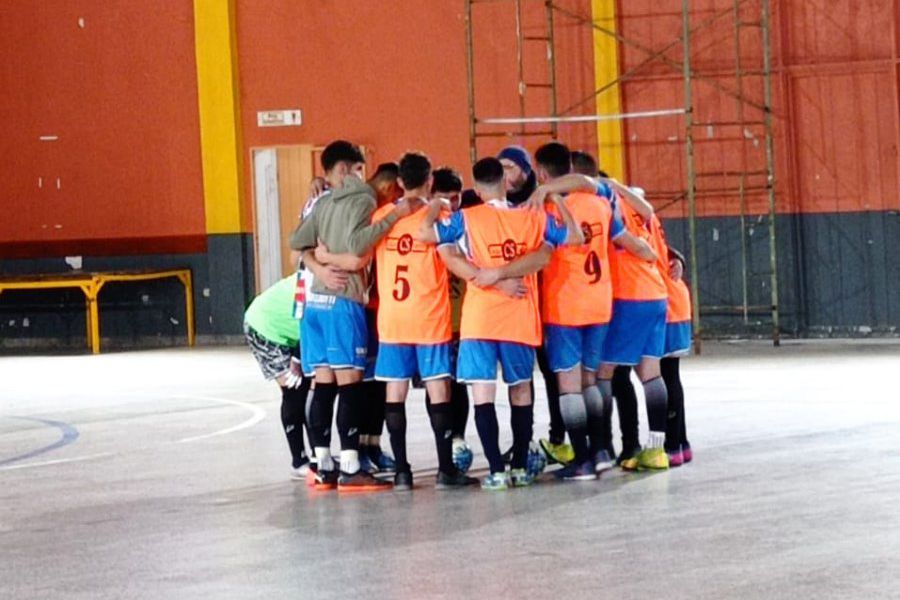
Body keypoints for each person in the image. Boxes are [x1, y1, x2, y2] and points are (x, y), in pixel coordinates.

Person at [419, 157, 583, 490]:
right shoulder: (533, 217)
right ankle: (520, 467)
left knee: (483, 395)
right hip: (519, 318)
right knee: (521, 390)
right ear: (505, 183)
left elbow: (426, 234)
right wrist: (558, 202)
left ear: (477, 189)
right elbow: (575, 237)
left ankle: (495, 470)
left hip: (480, 321)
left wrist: (434, 205)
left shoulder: (466, 218)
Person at [289, 140, 412, 492]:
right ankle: (351, 466)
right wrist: (393, 217)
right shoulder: (364, 201)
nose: (363, 176)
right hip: (342, 300)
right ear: (345, 169)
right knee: (352, 386)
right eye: (359, 168)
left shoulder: (321, 199)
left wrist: (320, 264)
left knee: (323, 384)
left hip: (313, 302)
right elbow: (359, 253)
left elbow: (297, 241)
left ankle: (322, 465)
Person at [529, 143, 656, 480]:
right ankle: (601, 450)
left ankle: (583, 458)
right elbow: (624, 237)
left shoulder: (548, 209)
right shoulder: (602, 203)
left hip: (565, 305)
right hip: (600, 304)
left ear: (541, 172)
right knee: (593, 379)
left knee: (569, 385)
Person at [356, 152, 479, 490]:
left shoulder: (382, 216)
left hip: (393, 319)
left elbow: (362, 255)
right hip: (429, 318)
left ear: (399, 183)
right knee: (439, 388)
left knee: (394, 392)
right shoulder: (440, 217)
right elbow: (454, 258)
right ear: (429, 181)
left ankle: (402, 474)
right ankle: (445, 471)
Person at [424, 167, 475, 472]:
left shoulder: (465, 222)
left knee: (459, 385)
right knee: (437, 387)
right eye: (445, 199)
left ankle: (458, 439)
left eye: (456, 199)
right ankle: (444, 445)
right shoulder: (423, 226)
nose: (452, 205)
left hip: (462, 321)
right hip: (430, 322)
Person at [243, 273, 311, 480]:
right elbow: (307, 325)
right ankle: (299, 462)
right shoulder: (315, 284)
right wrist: (297, 360)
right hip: (265, 328)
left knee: (308, 391)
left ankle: (318, 457)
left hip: (289, 330)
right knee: (295, 390)